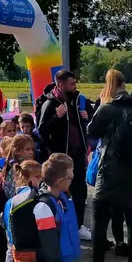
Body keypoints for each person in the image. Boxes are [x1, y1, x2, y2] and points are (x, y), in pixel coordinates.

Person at [78, 69, 132, 262]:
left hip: (112, 170)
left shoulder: (108, 108)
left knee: (99, 219)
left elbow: (92, 130)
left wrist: (100, 104)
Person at [38, 70, 92, 240]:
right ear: (60, 85)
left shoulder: (78, 100)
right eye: (71, 83)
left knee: (80, 189)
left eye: (75, 83)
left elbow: (93, 119)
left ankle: (79, 225)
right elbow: (42, 130)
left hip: (78, 153)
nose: (75, 86)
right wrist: (56, 117)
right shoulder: (49, 104)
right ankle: (59, 224)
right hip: (60, 156)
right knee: (60, 190)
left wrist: (87, 116)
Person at [6, 159, 43, 262]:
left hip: (20, 243)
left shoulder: (15, 198)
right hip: (26, 244)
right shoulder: (28, 199)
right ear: (28, 179)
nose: (41, 180)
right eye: (38, 177)